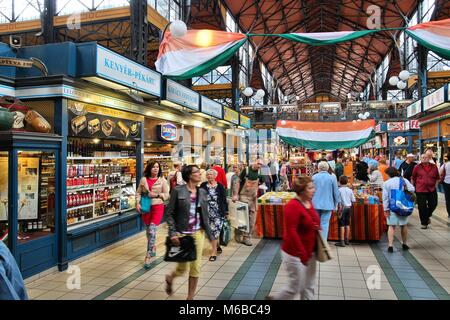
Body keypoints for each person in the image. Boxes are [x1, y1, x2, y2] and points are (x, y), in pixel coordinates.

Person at [165, 165, 214, 300]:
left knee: (196, 267)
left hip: (197, 233)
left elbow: (205, 215)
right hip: (181, 234)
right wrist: (173, 233)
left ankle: (190, 298)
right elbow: (169, 213)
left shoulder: (202, 192)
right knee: (182, 269)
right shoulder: (177, 191)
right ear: (189, 175)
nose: (200, 174)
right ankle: (170, 277)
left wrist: (211, 236)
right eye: (197, 172)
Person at [267, 176, 320, 300]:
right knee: (295, 287)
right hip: (294, 254)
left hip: (310, 252)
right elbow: (291, 233)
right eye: (310, 187)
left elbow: (313, 220)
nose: (314, 190)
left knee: (309, 286)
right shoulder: (292, 206)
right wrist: (302, 255)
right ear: (302, 190)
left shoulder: (309, 202)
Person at [136, 161, 170, 268]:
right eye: (153, 167)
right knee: (148, 231)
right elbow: (138, 192)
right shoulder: (143, 180)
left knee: (151, 229)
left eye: (157, 167)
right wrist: (137, 202)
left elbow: (167, 195)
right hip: (146, 207)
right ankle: (153, 246)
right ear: (149, 168)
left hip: (157, 207)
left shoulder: (162, 181)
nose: (155, 169)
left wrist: (156, 195)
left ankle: (148, 255)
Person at [382, 167, 415, 252]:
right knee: (403, 225)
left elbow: (385, 197)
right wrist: (404, 190)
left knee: (391, 226)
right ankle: (404, 244)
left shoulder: (386, 183)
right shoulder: (404, 180)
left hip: (392, 206)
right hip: (403, 206)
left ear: (389, 174)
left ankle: (390, 246)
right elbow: (412, 189)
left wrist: (386, 209)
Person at [232, 159, 263, 246]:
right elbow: (238, 182)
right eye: (258, 163)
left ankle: (247, 236)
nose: (259, 166)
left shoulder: (260, 172)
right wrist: (235, 194)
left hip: (253, 198)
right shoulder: (246, 170)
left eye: (261, 164)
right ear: (254, 162)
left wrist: (259, 187)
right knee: (242, 216)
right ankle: (238, 232)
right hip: (243, 196)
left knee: (252, 218)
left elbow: (261, 182)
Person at [200, 169, 228, 261]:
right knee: (209, 232)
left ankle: (214, 252)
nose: (209, 176)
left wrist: (226, 212)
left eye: (211, 174)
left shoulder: (220, 186)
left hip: (218, 212)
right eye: (207, 174)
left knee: (214, 231)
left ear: (215, 176)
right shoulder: (203, 185)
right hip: (206, 212)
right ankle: (217, 245)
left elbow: (224, 200)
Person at [312, 161, 340, 239]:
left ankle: (315, 242)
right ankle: (323, 243)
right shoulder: (332, 177)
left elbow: (310, 190)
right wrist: (338, 202)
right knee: (324, 224)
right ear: (327, 168)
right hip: (328, 204)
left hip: (315, 203)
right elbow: (336, 191)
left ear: (318, 168)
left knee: (316, 223)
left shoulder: (314, 177)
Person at [411, 154, 440, 229]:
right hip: (420, 189)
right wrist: (412, 188)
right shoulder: (417, 167)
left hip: (432, 189)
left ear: (429, 158)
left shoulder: (434, 167)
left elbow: (437, 178)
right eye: (422, 157)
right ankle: (424, 223)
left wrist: (436, 186)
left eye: (425, 157)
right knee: (421, 206)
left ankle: (427, 216)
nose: (424, 159)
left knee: (434, 204)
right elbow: (413, 178)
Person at [336, 175, 355, 247]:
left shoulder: (339, 190)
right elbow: (353, 200)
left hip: (342, 208)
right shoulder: (350, 190)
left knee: (342, 225)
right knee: (347, 224)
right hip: (348, 207)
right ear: (347, 182)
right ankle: (347, 239)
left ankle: (342, 241)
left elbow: (337, 200)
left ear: (340, 182)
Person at [439, 152, 450, 220]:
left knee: (448, 199)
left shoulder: (445, 164)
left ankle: (449, 213)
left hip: (447, 183)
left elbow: (440, 173)